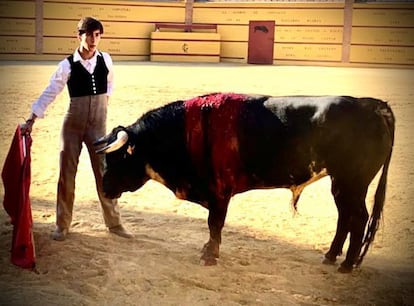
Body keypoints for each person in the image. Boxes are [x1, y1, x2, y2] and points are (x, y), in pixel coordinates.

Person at [20, 17, 132, 241]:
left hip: (98, 127)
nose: (93, 40)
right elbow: (50, 91)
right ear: (79, 36)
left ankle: (115, 223)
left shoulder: (106, 60)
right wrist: (31, 119)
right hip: (72, 126)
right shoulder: (67, 65)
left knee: (104, 173)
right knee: (66, 174)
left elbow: (110, 84)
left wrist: (104, 104)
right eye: (89, 34)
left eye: (97, 35)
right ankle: (62, 225)